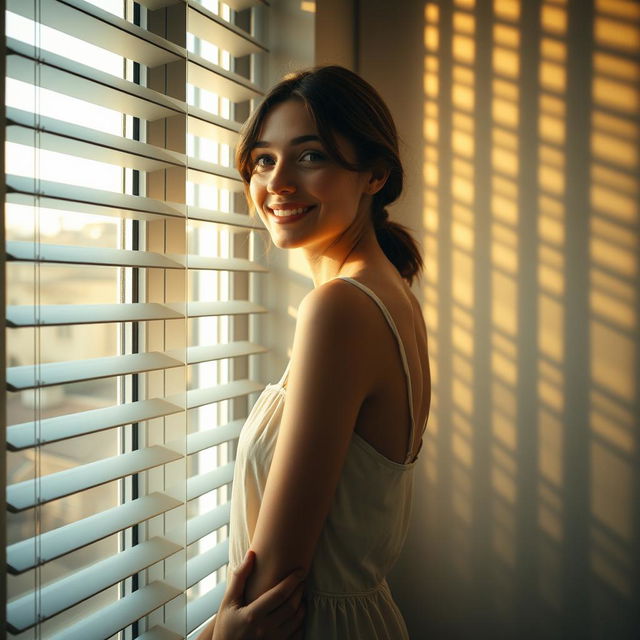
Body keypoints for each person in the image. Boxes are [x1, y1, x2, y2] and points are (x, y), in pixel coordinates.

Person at [198, 65, 430, 640]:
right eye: (263, 160)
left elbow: (273, 584)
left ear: (374, 174)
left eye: (309, 156)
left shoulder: (340, 309)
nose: (277, 182)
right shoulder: (389, 291)